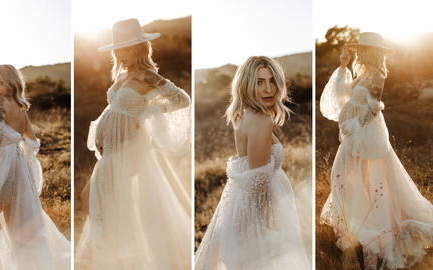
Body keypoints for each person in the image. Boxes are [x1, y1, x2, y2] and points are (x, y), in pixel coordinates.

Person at [75, 18, 191, 269]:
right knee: (105, 201)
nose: (122, 54)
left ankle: (118, 254)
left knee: (93, 198)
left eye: (127, 49)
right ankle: (125, 252)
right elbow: (114, 108)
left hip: (131, 150)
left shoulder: (147, 76)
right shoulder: (123, 76)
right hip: (113, 151)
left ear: (140, 48)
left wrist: (149, 113)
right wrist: (101, 134)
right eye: (118, 49)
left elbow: (181, 99)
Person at [320, 32, 433, 269]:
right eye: (358, 48)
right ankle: (355, 226)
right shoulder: (360, 73)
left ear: (372, 52)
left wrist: (354, 125)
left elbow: (373, 106)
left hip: (365, 133)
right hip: (353, 135)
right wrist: (343, 67)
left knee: (368, 177)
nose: (358, 52)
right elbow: (342, 97)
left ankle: (373, 227)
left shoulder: (377, 75)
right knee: (346, 174)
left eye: (362, 49)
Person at [195, 56, 310, 270]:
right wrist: (271, 230)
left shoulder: (244, 115)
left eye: (272, 81)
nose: (268, 89)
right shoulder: (262, 121)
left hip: (244, 208)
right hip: (257, 215)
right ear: (246, 85)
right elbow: (258, 184)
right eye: (259, 82)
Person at [0, 64, 71, 270]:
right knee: (17, 228)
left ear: (12, 83)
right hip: (17, 167)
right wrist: (16, 149)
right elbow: (33, 142)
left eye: (1, 82)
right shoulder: (21, 107)